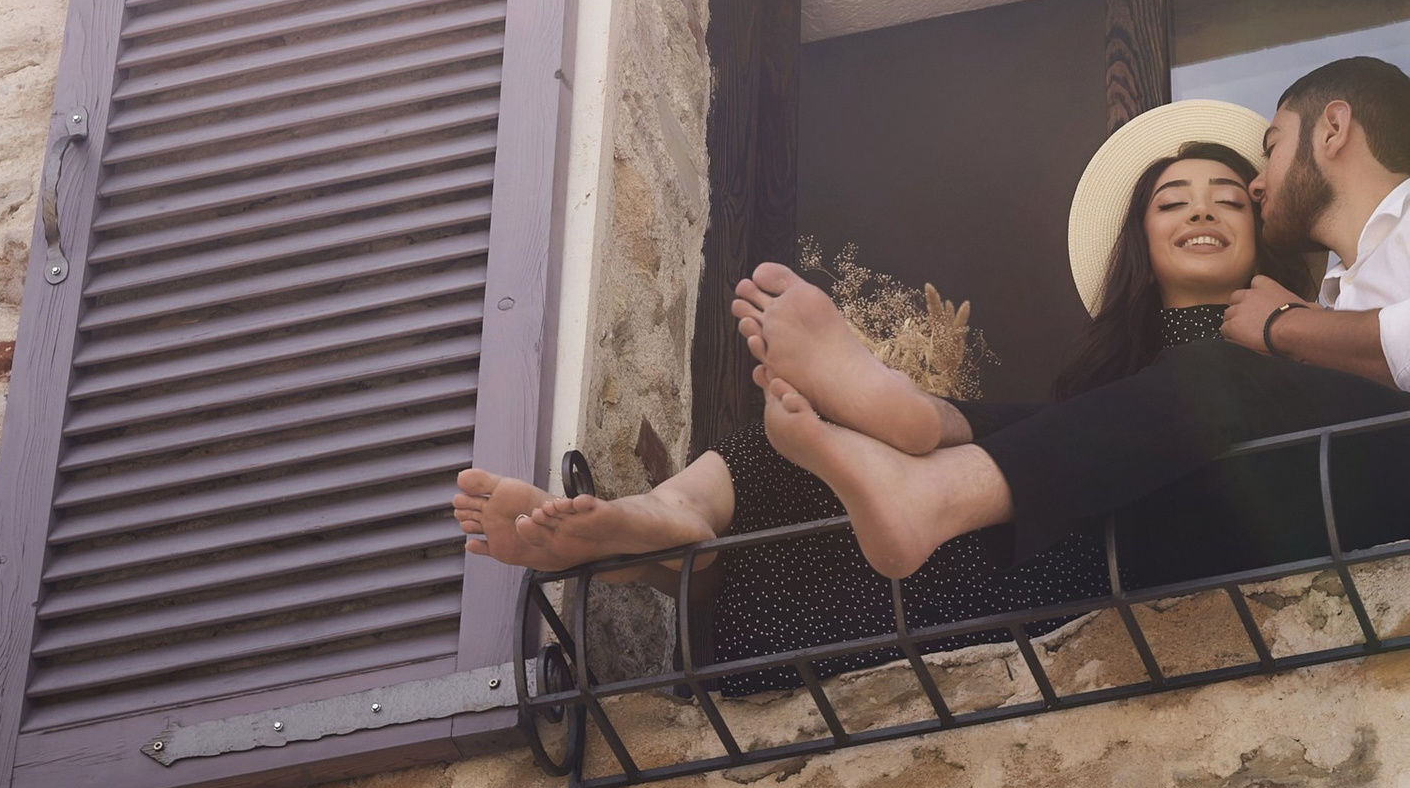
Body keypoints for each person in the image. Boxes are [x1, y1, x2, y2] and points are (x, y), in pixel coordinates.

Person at [451, 116, 1275, 667]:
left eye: (1228, 199)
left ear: (1263, 229)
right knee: (801, 454)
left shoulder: (1286, 345)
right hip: (1018, 529)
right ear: (1143, 237)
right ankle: (669, 518)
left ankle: (915, 426)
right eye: (1174, 200)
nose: (1200, 211)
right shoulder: (1105, 382)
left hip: (1085, 566)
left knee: (1186, 388)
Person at [741, 55, 1410, 584]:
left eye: (1268, 150)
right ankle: (931, 418)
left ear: (1331, 130)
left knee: (1224, 376)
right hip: (1352, 505)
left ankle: (941, 492)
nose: (1259, 185)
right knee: (1079, 430)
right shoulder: (1330, 301)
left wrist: (1275, 331)